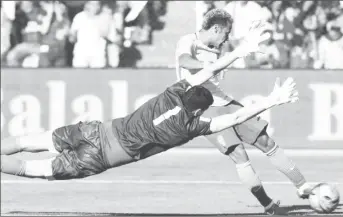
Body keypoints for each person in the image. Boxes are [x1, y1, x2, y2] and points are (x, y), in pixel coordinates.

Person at [2, 21, 296, 215]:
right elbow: (233, 119)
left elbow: (205, 72)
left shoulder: (172, 93)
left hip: (94, 131)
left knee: (28, 140)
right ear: (198, 110)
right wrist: (273, 100)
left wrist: (241, 51)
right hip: (101, 158)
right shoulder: (191, 126)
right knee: (30, 169)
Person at [175, 9, 312, 215]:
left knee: (266, 141)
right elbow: (184, 61)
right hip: (204, 109)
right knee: (239, 154)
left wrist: (245, 43)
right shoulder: (188, 40)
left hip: (226, 102)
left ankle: (303, 186)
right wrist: (210, 65)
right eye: (226, 33)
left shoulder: (216, 47)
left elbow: (232, 53)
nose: (226, 38)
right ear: (216, 28)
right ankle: (268, 205)